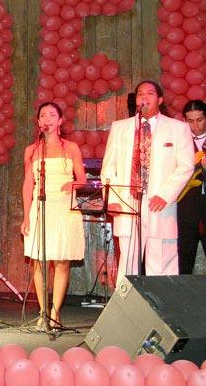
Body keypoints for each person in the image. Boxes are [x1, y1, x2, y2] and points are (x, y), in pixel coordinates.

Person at [101, 81, 194, 278]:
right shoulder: (120, 128)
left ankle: (161, 299)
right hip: (128, 202)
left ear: (160, 100)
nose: (144, 97)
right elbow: (109, 166)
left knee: (161, 260)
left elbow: (186, 166)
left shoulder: (178, 128)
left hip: (159, 203)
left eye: (150, 93)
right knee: (128, 262)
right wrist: (113, 200)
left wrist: (165, 195)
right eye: (140, 94)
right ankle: (127, 298)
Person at [20, 102, 86, 329]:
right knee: (39, 260)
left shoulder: (71, 147)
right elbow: (27, 185)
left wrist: (74, 184)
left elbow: (82, 179)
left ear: (60, 121)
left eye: (52, 115)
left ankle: (56, 313)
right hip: (41, 206)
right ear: (38, 121)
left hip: (64, 206)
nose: (47, 119)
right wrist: (26, 217)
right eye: (43, 115)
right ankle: (43, 312)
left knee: (61, 261)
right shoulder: (32, 150)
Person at [177, 99, 206, 274]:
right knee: (184, 262)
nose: (195, 125)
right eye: (190, 121)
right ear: (184, 121)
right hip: (186, 209)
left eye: (200, 120)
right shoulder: (180, 142)